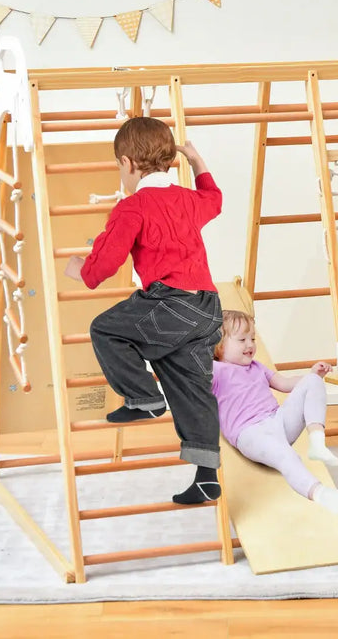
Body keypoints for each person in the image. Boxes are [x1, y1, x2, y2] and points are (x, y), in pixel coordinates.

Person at [64, 117, 224, 505]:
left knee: (106, 329)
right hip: (207, 308)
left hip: (171, 303)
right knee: (190, 386)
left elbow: (104, 263)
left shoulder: (132, 208)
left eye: (120, 168)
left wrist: (80, 270)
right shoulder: (189, 198)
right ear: (170, 160)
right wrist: (199, 163)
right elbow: (214, 201)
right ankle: (206, 476)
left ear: (128, 164)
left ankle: (144, 399)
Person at [212, 309, 338, 514]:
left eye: (252, 338)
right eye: (242, 339)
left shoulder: (257, 367)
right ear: (218, 345)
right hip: (250, 433)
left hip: (278, 420)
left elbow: (285, 383)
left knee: (312, 382)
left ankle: (317, 442)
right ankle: (323, 495)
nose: (250, 344)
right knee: (287, 456)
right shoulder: (216, 371)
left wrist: (313, 375)